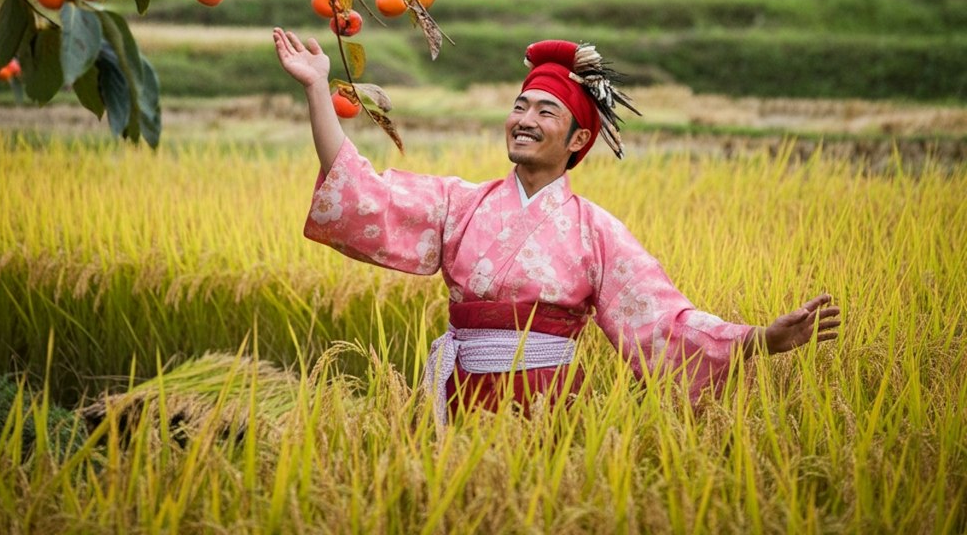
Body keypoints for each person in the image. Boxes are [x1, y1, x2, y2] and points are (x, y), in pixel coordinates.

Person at [273, 29, 841, 424]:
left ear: (577, 142)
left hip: (548, 409)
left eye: (546, 112)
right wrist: (318, 88)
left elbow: (663, 322)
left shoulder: (597, 232)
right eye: (521, 106)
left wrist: (760, 340)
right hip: (456, 393)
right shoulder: (460, 203)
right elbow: (360, 187)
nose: (524, 120)